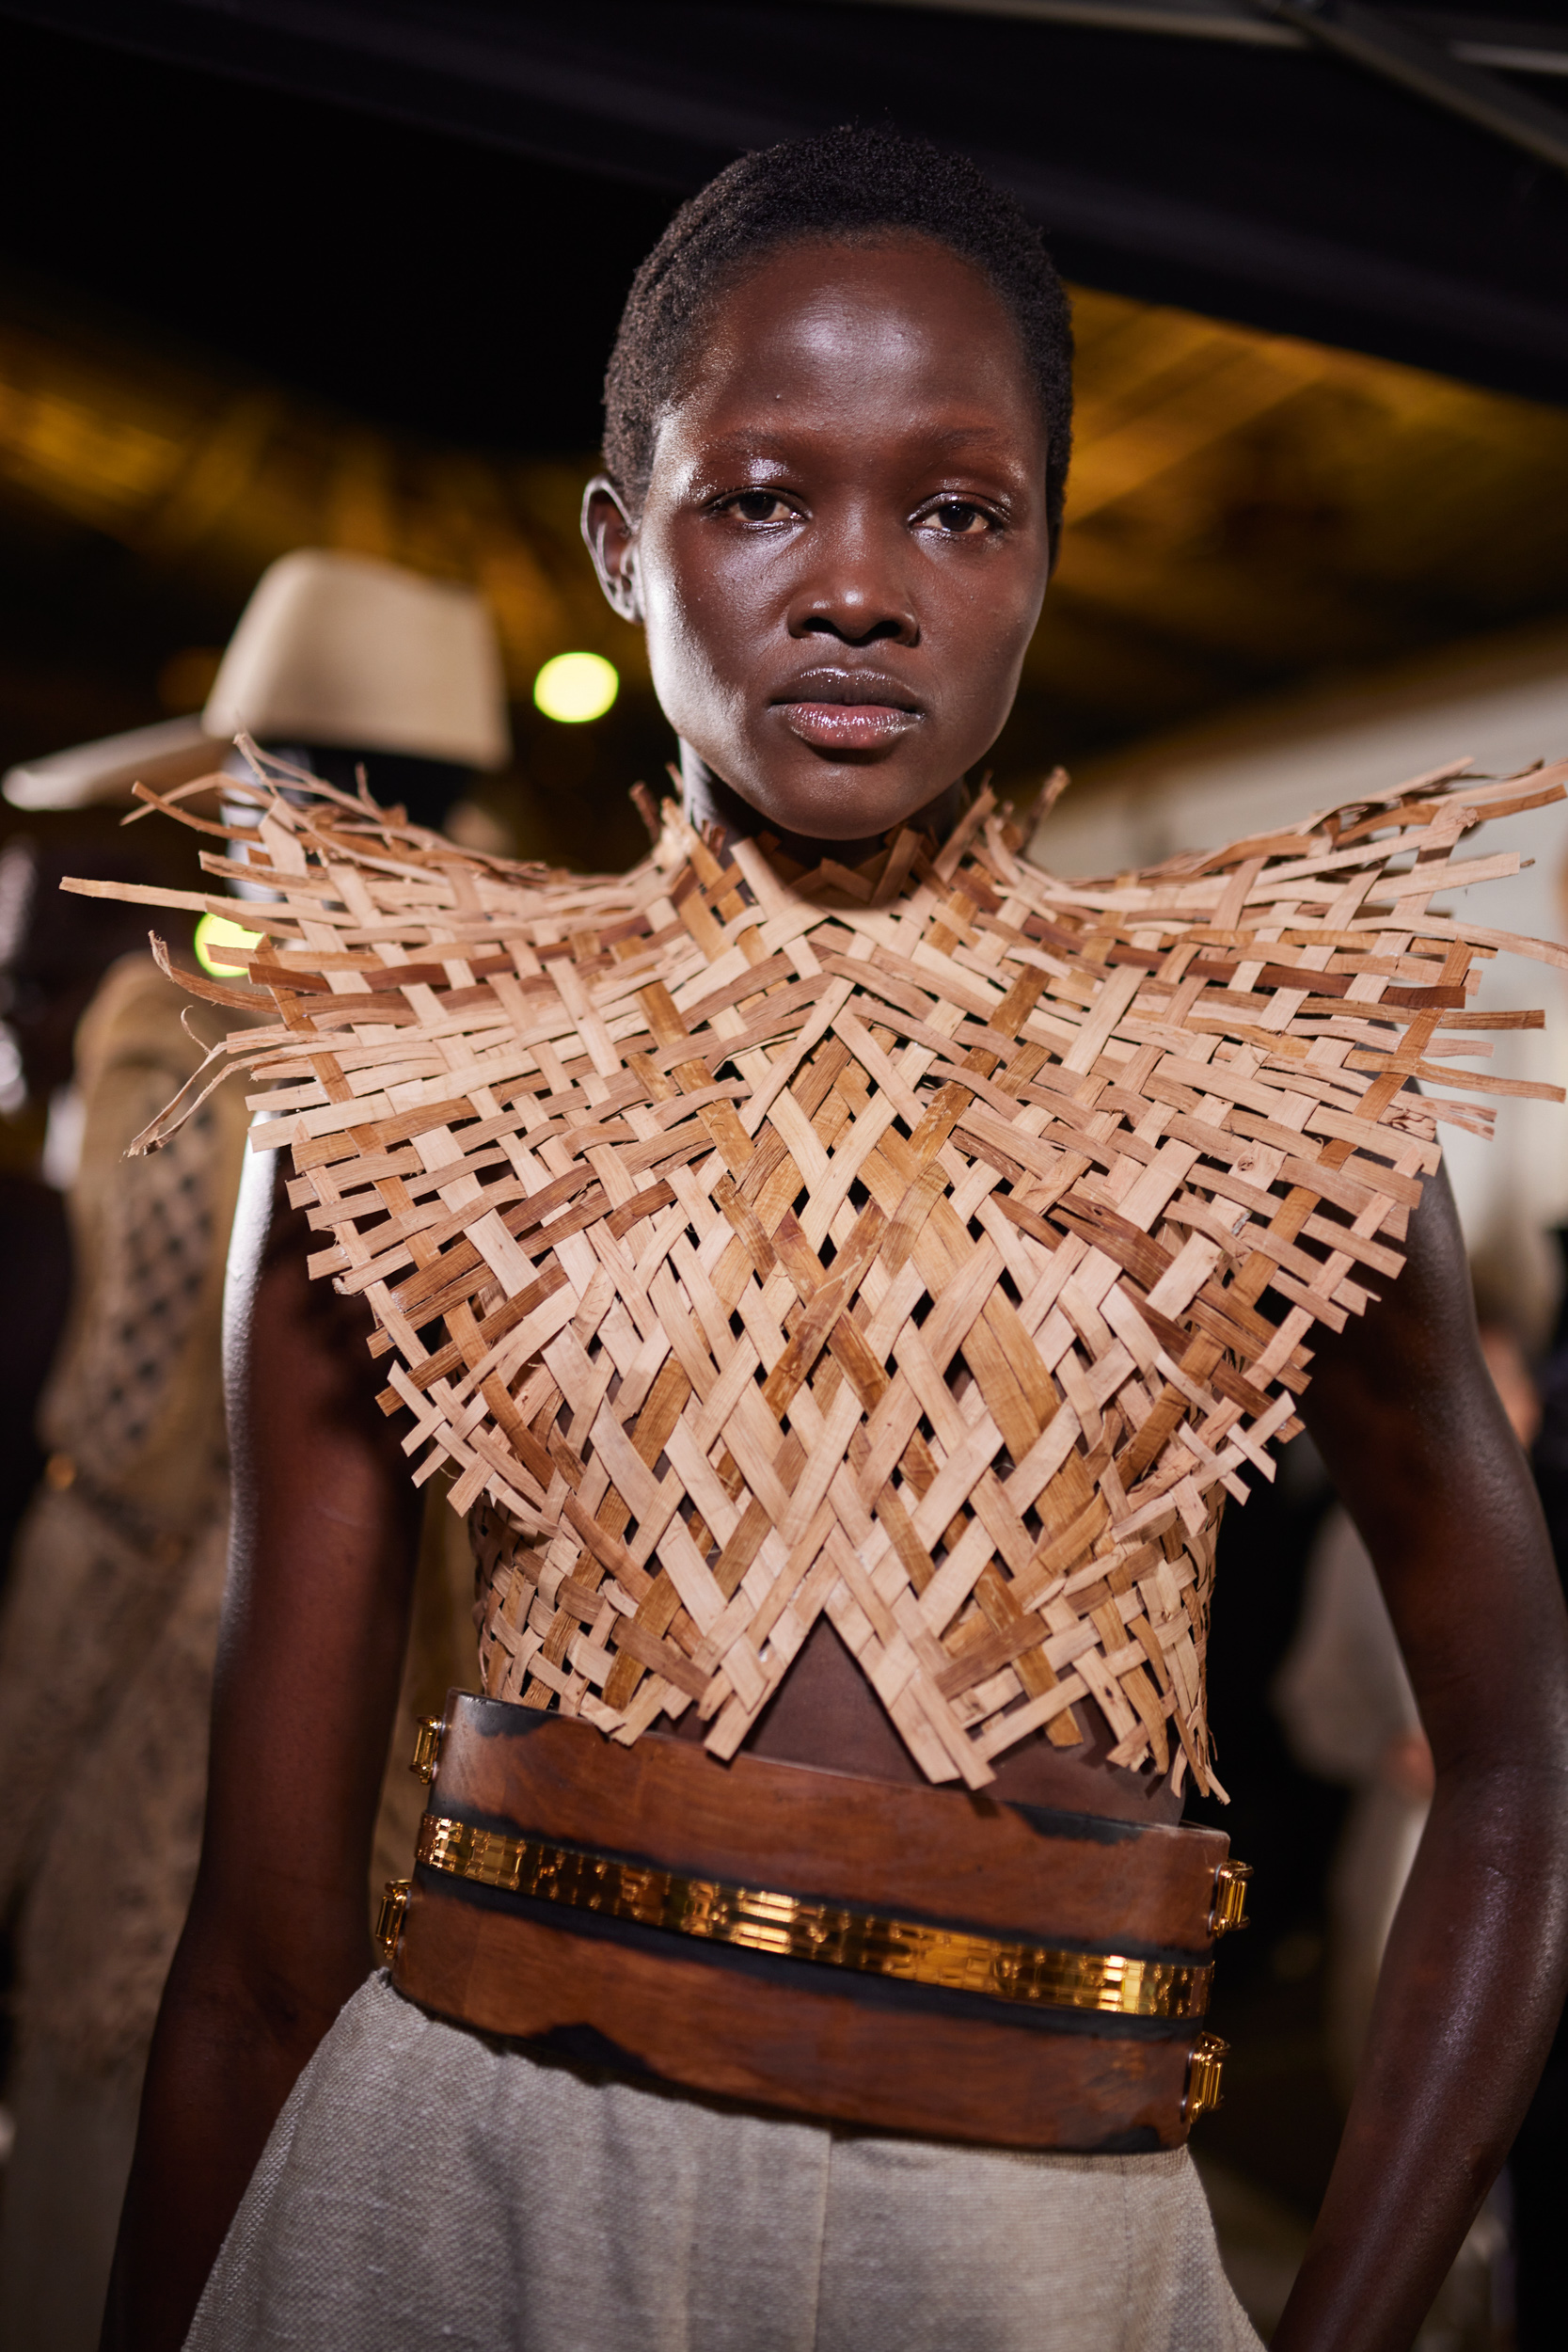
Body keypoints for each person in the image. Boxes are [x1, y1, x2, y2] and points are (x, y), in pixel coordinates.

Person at [93, 130, 1568, 2352]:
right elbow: (257, 1947)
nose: (857, 583)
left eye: (955, 507)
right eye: (761, 494)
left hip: (1026, 2254)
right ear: (621, 544)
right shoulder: (406, 1087)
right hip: (470, 2190)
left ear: (1046, 548)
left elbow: (1530, 1765)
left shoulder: (1267, 1092)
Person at [0, 553, 509, 2349]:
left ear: (251, 796)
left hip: (188, 1763)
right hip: (432, 1808)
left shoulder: (184, 1037)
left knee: (106, 2237)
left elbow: (128, 1462)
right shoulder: (519, 1073)